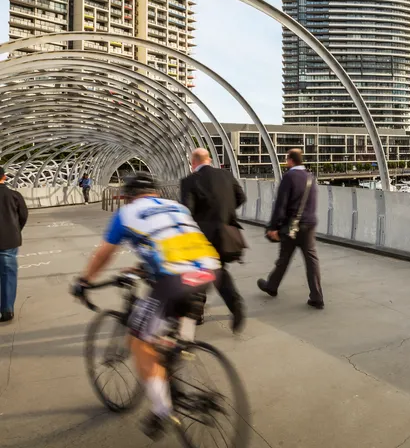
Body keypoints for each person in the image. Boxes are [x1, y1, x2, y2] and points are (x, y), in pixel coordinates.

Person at [71, 172, 220, 438]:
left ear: (128, 197)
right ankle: (180, 352)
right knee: (176, 335)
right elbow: (174, 241)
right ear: (156, 192)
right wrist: (144, 266)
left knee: (139, 341)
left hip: (174, 280)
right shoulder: (176, 206)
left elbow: (104, 253)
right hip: (208, 271)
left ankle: (162, 411)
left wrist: (84, 281)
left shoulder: (126, 213)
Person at [180, 148, 246, 332]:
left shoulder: (189, 181)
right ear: (208, 159)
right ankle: (234, 304)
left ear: (193, 163)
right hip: (226, 233)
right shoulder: (226, 175)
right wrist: (225, 212)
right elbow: (241, 197)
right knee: (217, 270)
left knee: (200, 271)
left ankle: (197, 312)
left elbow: (187, 211)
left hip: (202, 236)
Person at [257, 148, 323, 308]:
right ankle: (317, 297)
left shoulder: (289, 177)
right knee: (311, 261)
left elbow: (281, 204)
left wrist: (273, 227)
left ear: (290, 160)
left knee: (284, 258)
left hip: (292, 225)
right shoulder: (310, 177)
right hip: (309, 224)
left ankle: (271, 286)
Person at [0, 166, 28, 322]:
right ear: (4, 177)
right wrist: (15, 230)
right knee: (8, 275)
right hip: (9, 241)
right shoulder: (14, 195)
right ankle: (7, 309)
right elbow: (23, 215)